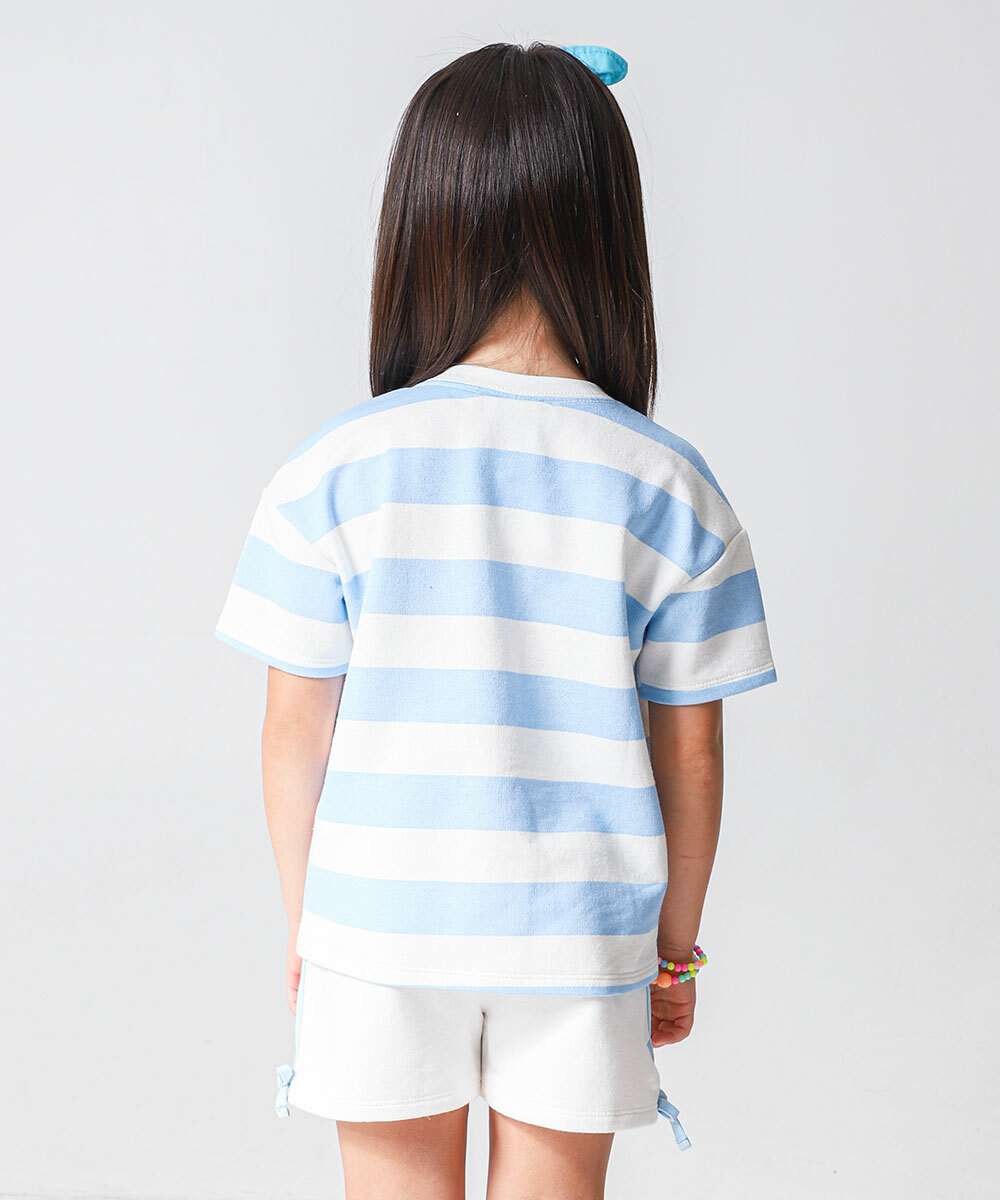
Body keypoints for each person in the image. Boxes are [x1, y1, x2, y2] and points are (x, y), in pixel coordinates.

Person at [216, 41, 775, 1200]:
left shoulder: (333, 470)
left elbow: (290, 732)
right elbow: (692, 756)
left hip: (377, 929)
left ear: (421, 222)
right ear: (607, 228)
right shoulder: (670, 486)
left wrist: (310, 927)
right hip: (577, 935)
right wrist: (674, 951)